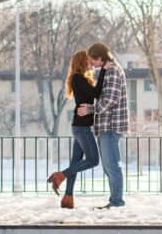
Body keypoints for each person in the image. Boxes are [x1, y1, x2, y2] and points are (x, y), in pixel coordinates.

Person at [47, 51, 103, 209]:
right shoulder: (78, 77)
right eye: (88, 59)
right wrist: (103, 70)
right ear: (81, 61)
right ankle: (61, 175)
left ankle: (68, 197)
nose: (91, 61)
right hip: (82, 127)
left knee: (76, 163)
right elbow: (96, 93)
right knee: (93, 160)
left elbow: (92, 94)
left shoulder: (80, 78)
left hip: (80, 126)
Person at [77, 42, 129, 209]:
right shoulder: (108, 70)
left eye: (93, 60)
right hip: (106, 126)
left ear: (100, 58)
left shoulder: (113, 70)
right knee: (109, 166)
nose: (91, 63)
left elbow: (111, 99)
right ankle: (114, 201)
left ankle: (117, 202)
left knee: (112, 165)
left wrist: (90, 109)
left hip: (111, 125)